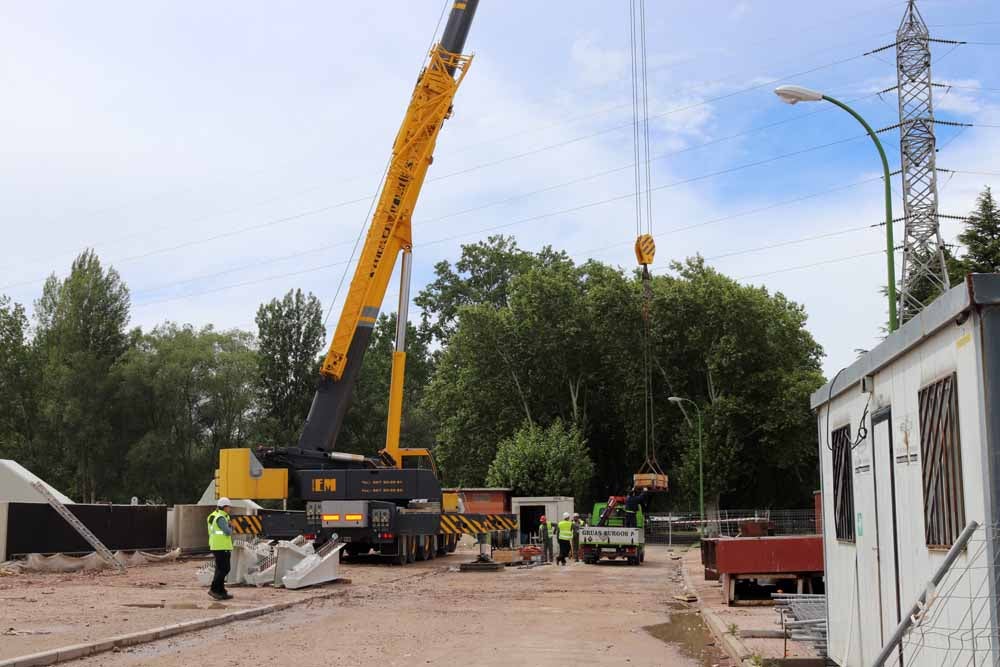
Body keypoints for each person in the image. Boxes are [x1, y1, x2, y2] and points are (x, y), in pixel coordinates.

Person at [206, 497, 234, 600]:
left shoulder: (220, 516)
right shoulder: (221, 518)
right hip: (221, 547)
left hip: (219, 546)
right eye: (229, 507)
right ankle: (214, 589)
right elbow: (227, 532)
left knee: (220, 569)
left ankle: (221, 591)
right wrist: (231, 526)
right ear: (224, 507)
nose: (230, 508)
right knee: (225, 569)